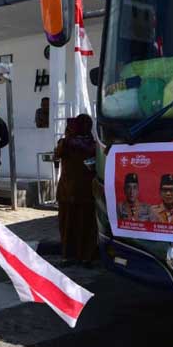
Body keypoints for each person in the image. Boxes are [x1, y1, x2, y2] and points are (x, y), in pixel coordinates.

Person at [54, 114, 98, 265]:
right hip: (86, 193)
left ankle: (67, 256)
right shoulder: (93, 144)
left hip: (68, 192)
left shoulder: (66, 143)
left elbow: (57, 155)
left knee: (68, 226)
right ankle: (85, 256)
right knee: (85, 225)